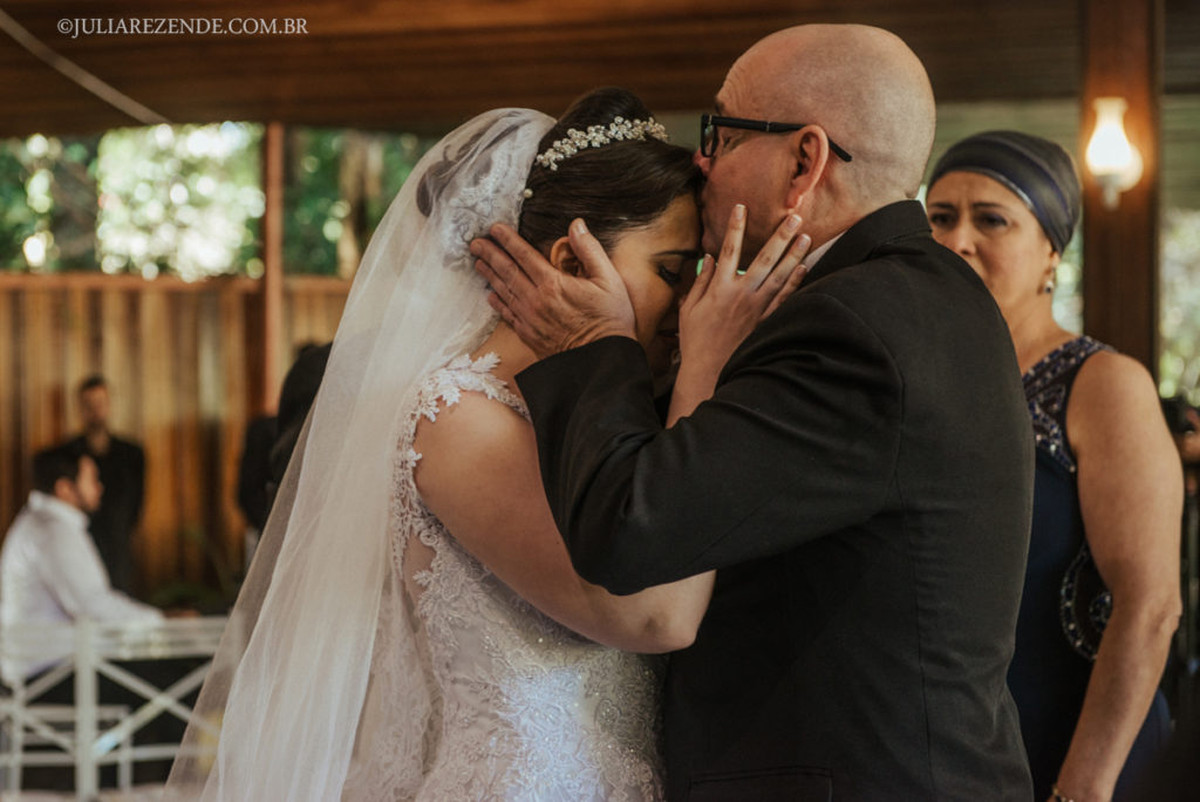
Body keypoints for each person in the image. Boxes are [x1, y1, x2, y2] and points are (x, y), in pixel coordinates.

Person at [167, 87, 806, 801]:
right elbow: (655, 616)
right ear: (572, 263)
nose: (693, 304)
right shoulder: (455, 419)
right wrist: (708, 373)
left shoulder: (612, 420)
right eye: (671, 271)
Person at [474, 24, 1036, 800]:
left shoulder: (851, 326)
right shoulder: (923, 294)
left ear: (804, 162)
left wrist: (592, 343)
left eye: (723, 134)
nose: (700, 160)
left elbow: (632, 528)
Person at [926, 130, 1182, 802]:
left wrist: (1081, 788)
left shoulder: (1103, 384)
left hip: (1083, 748)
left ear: (1051, 252)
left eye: (991, 219)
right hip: (957, 753)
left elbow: (1150, 607)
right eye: (940, 217)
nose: (957, 240)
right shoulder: (924, 383)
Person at [1, 445, 163, 681]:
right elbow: (90, 605)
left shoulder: (44, 523)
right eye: (92, 479)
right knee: (178, 681)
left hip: (49, 670)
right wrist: (160, 622)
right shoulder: (53, 531)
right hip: (51, 676)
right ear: (65, 489)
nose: (100, 487)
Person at [63, 375, 145, 595]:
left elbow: (136, 506)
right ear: (80, 408)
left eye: (100, 403)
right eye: (88, 404)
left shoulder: (131, 454)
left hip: (119, 549)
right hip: (80, 548)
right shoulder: (67, 455)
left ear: (109, 405)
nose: (95, 411)